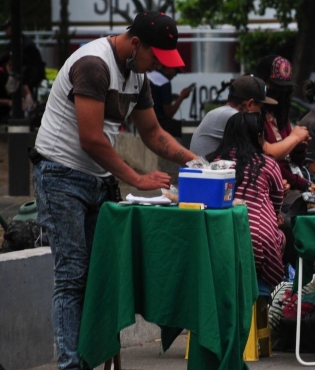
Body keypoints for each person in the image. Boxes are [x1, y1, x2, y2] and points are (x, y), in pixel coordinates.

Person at [31, 12, 198, 369]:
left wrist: (196, 162)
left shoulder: (137, 74)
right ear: (135, 43)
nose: (157, 67)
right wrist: (137, 179)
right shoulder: (93, 64)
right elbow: (90, 138)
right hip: (60, 174)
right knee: (73, 275)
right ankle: (72, 364)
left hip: (97, 179)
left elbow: (153, 134)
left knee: (101, 275)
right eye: (156, 57)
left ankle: (92, 356)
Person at [205, 112, 292, 287]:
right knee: (284, 234)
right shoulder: (268, 164)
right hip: (256, 246)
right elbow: (276, 206)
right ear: (259, 137)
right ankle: (277, 294)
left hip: (214, 242)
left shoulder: (210, 162)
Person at [190, 75, 310, 160]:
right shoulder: (233, 117)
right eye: (261, 107)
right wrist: (295, 137)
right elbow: (268, 153)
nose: (261, 112)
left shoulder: (223, 113)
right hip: (207, 183)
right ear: (250, 104)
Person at [255, 55, 311, 193]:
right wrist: (304, 184)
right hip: (270, 188)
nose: (280, 94)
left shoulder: (280, 116)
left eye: (284, 90)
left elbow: (292, 162)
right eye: (275, 88)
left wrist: (298, 148)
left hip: (288, 185)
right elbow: (268, 158)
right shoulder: (254, 118)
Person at [2, 19, 46, 97]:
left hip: (26, 80)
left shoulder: (26, 45)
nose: (6, 31)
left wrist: (26, 84)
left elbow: (33, 67)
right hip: (18, 78)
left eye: (7, 28)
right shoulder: (13, 43)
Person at [147, 65, 193, 137]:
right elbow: (169, 113)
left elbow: (155, 97)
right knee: (188, 129)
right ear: (169, 67)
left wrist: (170, 96)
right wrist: (181, 97)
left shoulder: (149, 76)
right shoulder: (164, 82)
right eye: (175, 72)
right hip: (160, 123)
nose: (175, 76)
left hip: (147, 120)